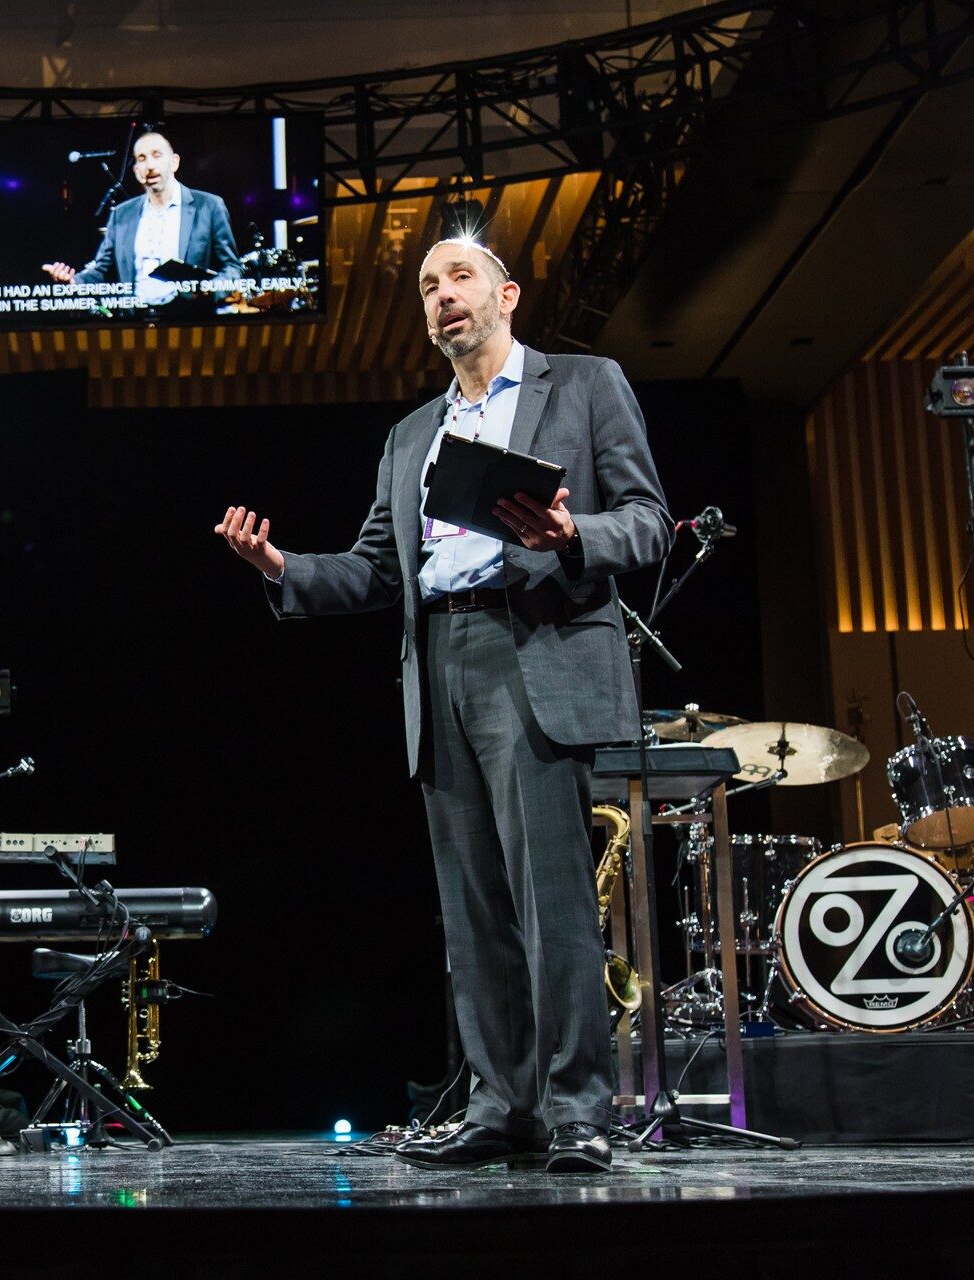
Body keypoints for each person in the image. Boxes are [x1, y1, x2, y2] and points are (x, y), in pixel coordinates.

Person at [214, 238, 669, 1174]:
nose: (441, 295)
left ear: (505, 294)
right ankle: (504, 1106)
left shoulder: (582, 385)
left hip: (533, 648)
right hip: (440, 664)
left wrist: (572, 530)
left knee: (552, 906)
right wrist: (282, 568)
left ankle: (579, 1109)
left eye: (458, 277)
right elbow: (378, 570)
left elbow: (649, 520)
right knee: (474, 916)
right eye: (426, 285)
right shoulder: (412, 435)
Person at [42, 129, 241, 306]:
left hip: (189, 319)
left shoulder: (209, 206)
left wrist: (210, 290)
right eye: (142, 158)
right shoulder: (122, 214)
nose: (150, 165)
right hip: (135, 322)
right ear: (137, 171)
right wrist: (73, 282)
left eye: (157, 155)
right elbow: (100, 271)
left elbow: (232, 268)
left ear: (174, 162)